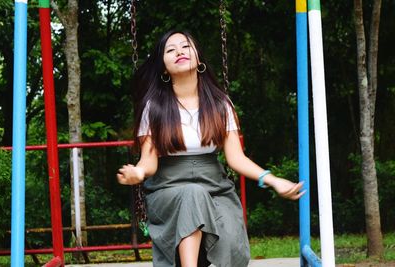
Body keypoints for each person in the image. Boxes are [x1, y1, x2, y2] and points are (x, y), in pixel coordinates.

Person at [117, 30, 305, 267]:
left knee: (232, 244)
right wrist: (139, 173)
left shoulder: (219, 104)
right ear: (163, 68)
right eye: (170, 49)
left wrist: (273, 180)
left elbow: (236, 158)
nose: (179, 52)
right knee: (192, 194)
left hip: (215, 187)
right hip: (168, 189)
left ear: (199, 58)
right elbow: (149, 161)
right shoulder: (154, 108)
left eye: (185, 46)